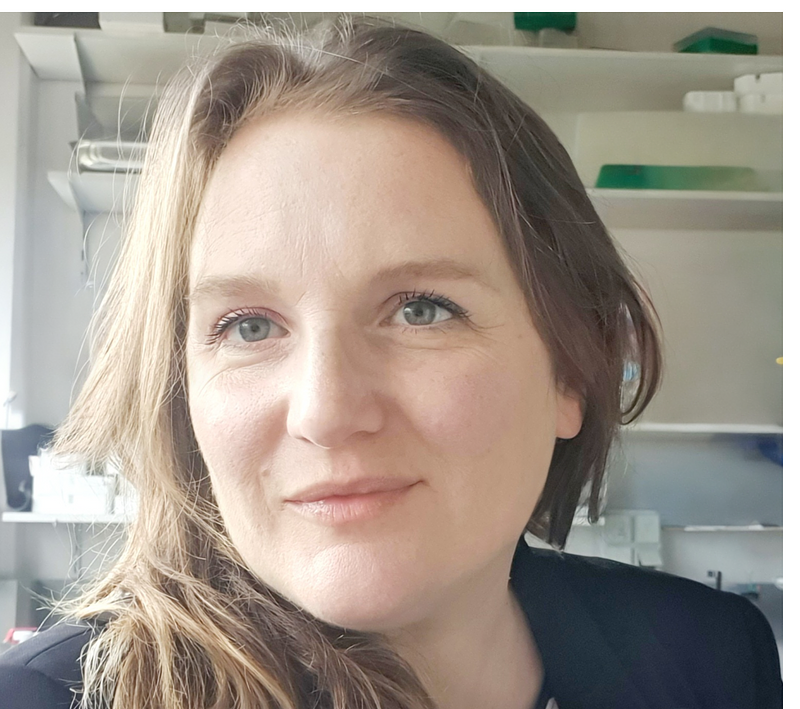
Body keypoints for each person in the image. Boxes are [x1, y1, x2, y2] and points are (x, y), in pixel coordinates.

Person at [0, 15, 781, 709]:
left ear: (572, 367)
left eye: (421, 309)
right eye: (248, 326)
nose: (325, 409)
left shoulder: (710, 654)